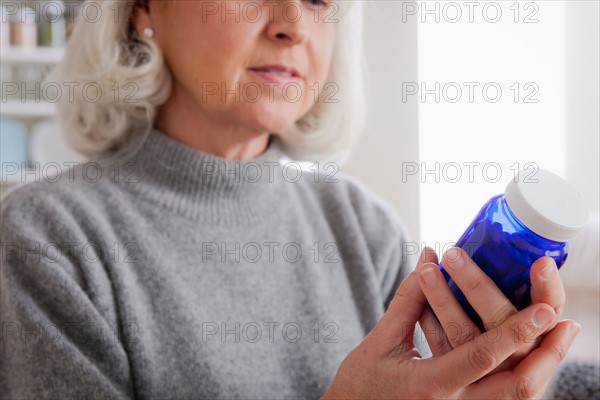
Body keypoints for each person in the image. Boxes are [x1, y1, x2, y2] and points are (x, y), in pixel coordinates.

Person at [0, 0, 579, 398]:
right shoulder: (50, 238)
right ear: (143, 8)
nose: (291, 26)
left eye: (319, 0)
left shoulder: (360, 224)